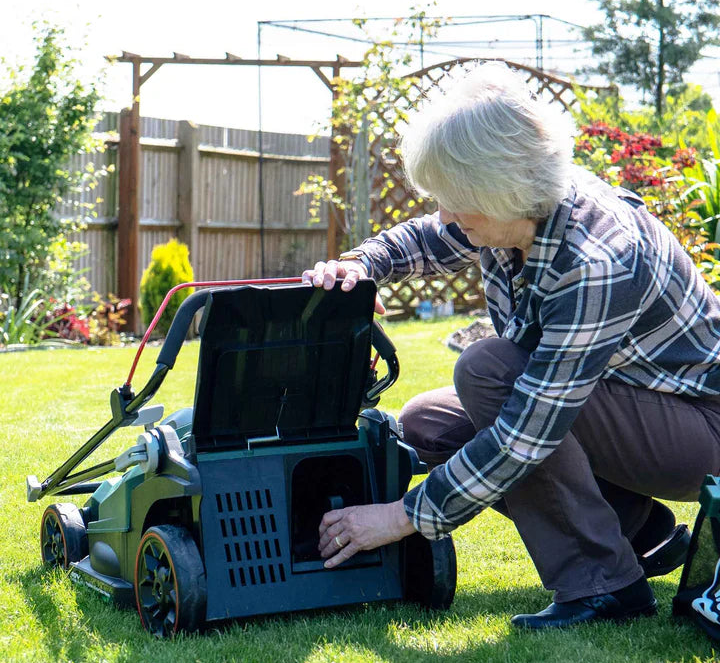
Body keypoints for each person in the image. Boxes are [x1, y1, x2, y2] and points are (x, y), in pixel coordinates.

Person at [302, 62, 720, 630]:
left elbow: (528, 434)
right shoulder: (513, 211)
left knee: (488, 371)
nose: (445, 215)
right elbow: (429, 235)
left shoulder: (598, 260)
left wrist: (402, 517)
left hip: (702, 430)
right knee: (427, 423)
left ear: (501, 190)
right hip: (631, 408)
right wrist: (360, 266)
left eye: (455, 200)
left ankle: (603, 587)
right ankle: (633, 530)